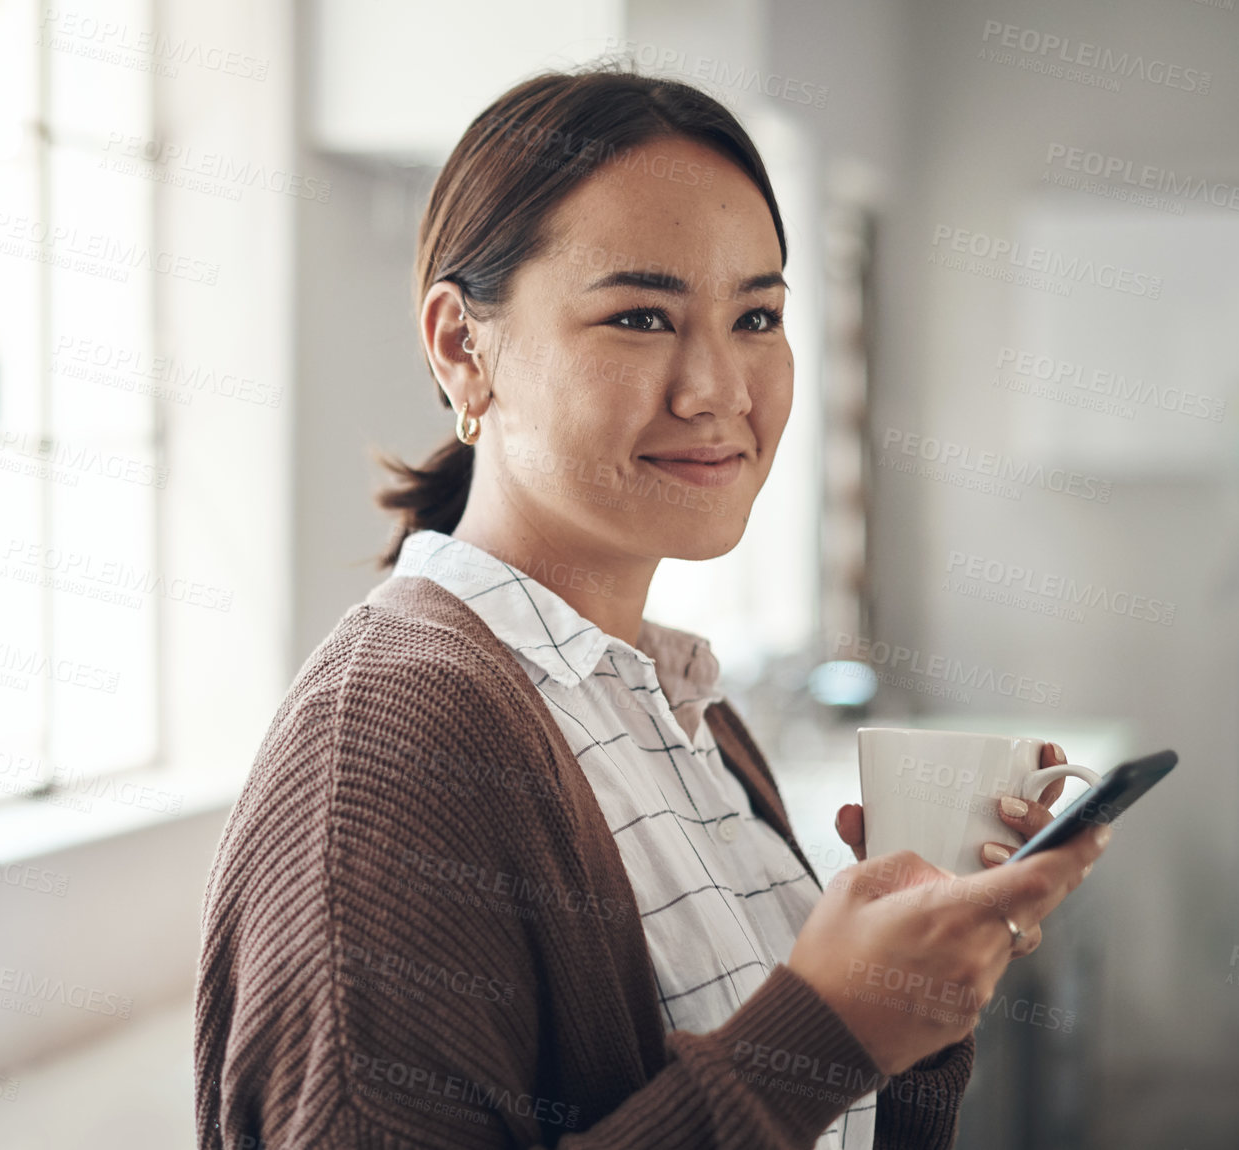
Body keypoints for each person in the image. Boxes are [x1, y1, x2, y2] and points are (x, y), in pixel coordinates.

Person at [194, 61, 1106, 1150]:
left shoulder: (680, 707)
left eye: (757, 315)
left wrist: (915, 1000)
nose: (717, 388)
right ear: (460, 347)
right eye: (638, 315)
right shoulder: (396, 742)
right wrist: (820, 1036)